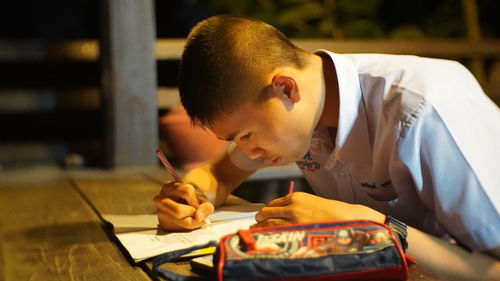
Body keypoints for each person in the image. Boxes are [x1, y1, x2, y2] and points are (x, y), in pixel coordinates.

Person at [153, 14, 500, 280]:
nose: (249, 151)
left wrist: (368, 225)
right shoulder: (306, 114)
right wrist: (192, 196)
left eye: (245, 135)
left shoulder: (422, 108)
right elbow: (218, 174)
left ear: (286, 89)